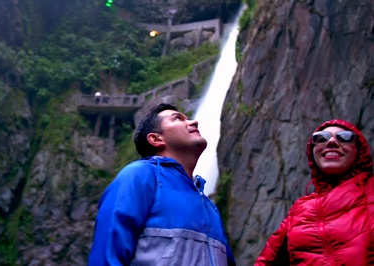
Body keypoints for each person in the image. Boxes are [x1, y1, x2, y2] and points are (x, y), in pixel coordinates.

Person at [88, 103, 236, 265]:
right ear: (156, 139)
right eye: (178, 118)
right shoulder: (140, 176)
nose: (194, 122)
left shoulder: (209, 207)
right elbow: (107, 255)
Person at [255, 119, 374, 265]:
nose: (331, 142)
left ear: (359, 151)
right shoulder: (299, 210)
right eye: (320, 138)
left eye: (344, 137)